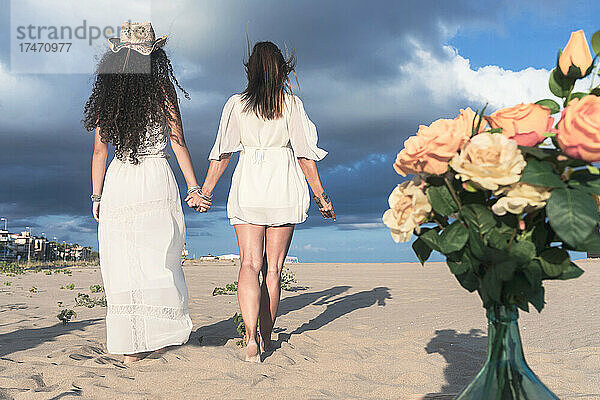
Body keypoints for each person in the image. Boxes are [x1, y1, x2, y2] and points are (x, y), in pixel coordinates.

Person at [193, 41, 335, 362]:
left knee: (249, 263)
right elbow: (304, 154)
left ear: (251, 68)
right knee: (273, 269)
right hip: (283, 185)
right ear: (281, 67)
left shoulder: (236, 104)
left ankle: (249, 339)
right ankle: (268, 338)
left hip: (250, 186)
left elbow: (223, 152)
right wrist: (321, 196)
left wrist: (206, 190)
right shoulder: (291, 105)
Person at [84, 22, 203, 363]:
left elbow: (99, 151)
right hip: (155, 176)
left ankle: (129, 347)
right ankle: (160, 338)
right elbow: (179, 142)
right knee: (159, 260)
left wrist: (97, 196)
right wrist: (193, 187)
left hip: (120, 180)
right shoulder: (163, 88)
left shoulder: (110, 93)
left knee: (123, 263)